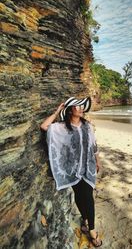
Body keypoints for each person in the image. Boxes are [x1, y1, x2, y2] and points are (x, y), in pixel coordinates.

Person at [40, 96, 102, 247]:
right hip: (72, 169)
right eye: (77, 106)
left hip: (87, 166)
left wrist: (98, 160)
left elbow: (93, 144)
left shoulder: (87, 125)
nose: (81, 108)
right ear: (70, 110)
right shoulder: (61, 127)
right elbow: (44, 126)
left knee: (88, 196)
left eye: (82, 106)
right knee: (79, 196)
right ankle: (85, 219)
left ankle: (92, 230)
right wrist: (57, 111)